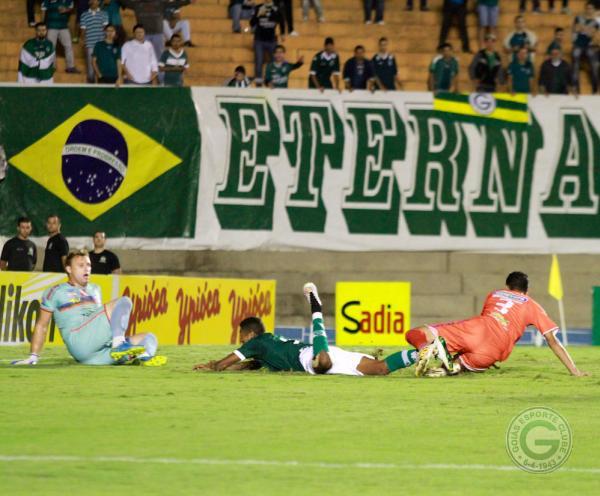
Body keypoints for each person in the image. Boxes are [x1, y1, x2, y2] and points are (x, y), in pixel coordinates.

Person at [193, 283, 418, 376]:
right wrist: (238, 368)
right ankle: (421, 353)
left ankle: (316, 309)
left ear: (249, 334)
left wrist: (212, 366)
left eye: (241, 335)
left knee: (323, 364)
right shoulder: (266, 347)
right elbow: (251, 364)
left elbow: (224, 364)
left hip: (312, 358)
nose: (239, 340)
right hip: (327, 352)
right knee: (381, 369)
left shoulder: (255, 343)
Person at [406, 272, 587, 377]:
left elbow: (489, 317)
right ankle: (447, 369)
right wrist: (574, 370)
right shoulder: (532, 304)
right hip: (493, 351)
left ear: (507, 286)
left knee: (415, 333)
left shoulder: (495, 294)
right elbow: (552, 340)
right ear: (527, 290)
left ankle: (429, 348)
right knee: (458, 365)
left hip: (477, 330)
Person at [12, 250, 166, 366]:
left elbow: (101, 322)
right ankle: (120, 346)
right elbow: (42, 325)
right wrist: (33, 356)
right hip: (79, 341)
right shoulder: (55, 292)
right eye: (81, 265)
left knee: (149, 338)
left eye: (89, 265)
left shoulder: (95, 289)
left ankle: (143, 358)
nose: (87, 269)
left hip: (95, 354)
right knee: (124, 301)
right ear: (68, 269)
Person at [121, 0, 191, 61]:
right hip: (143, 36)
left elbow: (175, 4)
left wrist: (188, 1)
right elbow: (124, 2)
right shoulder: (137, 4)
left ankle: (160, 76)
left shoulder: (160, 3)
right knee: (143, 58)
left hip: (158, 35)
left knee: (160, 58)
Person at [250, 0, 284, 85]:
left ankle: (272, 82)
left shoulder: (276, 8)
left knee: (274, 61)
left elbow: (281, 21)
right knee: (259, 60)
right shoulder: (258, 7)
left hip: (271, 40)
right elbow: (251, 23)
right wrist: (258, 15)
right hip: (259, 39)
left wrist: (282, 33)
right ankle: (258, 83)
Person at [42, 0, 80, 73]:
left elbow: (71, 7)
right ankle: (52, 67)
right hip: (51, 26)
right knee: (51, 47)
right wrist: (43, 24)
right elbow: (43, 9)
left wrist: (66, 10)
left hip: (63, 26)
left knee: (68, 46)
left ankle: (70, 67)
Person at [571, 2, 599, 94]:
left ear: (593, 10)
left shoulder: (595, 22)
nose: (589, 10)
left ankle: (595, 88)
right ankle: (575, 88)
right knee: (575, 63)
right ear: (585, 9)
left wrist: (582, 28)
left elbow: (591, 34)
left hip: (588, 46)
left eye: (591, 8)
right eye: (587, 8)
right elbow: (575, 29)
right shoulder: (578, 18)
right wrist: (587, 29)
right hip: (578, 44)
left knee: (594, 64)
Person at [80, 0, 110, 83]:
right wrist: (83, 42)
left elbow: (106, 30)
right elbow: (83, 31)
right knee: (90, 69)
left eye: (96, 0)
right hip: (90, 44)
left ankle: (101, 85)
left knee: (101, 67)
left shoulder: (104, 14)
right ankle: (91, 86)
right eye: (91, 0)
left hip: (101, 45)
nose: (93, 2)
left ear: (98, 2)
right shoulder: (84, 15)